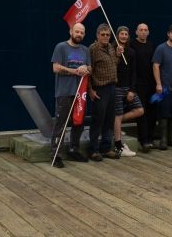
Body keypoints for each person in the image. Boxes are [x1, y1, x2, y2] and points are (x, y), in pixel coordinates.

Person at [50, 22, 92, 168]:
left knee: (78, 123)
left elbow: (90, 68)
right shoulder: (61, 47)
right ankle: (56, 155)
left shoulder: (85, 50)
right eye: (77, 32)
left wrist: (86, 68)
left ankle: (73, 149)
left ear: (84, 34)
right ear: (70, 31)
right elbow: (55, 67)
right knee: (60, 124)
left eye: (82, 32)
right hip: (65, 92)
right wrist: (74, 71)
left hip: (80, 93)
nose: (79, 34)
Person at [88, 24, 120, 161]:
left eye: (107, 34)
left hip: (112, 87)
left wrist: (118, 55)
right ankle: (94, 150)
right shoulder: (93, 49)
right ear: (97, 35)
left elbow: (113, 64)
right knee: (98, 119)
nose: (106, 37)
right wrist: (90, 90)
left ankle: (106, 148)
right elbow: (89, 72)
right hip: (100, 89)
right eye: (103, 34)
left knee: (109, 119)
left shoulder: (112, 47)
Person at [114, 26, 144, 157]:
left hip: (128, 87)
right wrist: (116, 54)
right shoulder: (111, 49)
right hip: (115, 87)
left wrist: (132, 90)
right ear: (117, 35)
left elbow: (133, 72)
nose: (124, 36)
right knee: (118, 114)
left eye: (126, 34)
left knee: (140, 110)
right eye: (121, 34)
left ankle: (115, 124)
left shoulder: (131, 52)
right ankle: (118, 143)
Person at [130, 23, 157, 152]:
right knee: (141, 112)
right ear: (136, 32)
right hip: (138, 85)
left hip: (151, 84)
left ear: (148, 32)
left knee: (152, 111)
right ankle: (144, 140)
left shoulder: (151, 46)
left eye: (145, 30)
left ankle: (150, 138)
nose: (143, 32)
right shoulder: (131, 45)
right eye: (141, 30)